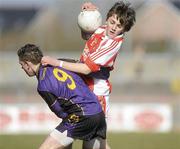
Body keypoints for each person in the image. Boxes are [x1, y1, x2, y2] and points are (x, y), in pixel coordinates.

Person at [41, 1, 136, 149]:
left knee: (93, 144)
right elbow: (87, 36)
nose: (113, 27)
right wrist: (89, 16)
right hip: (82, 87)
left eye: (119, 26)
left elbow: (86, 69)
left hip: (96, 93)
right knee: (72, 132)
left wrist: (55, 62)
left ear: (124, 30)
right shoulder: (102, 29)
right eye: (112, 22)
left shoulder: (111, 45)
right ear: (108, 19)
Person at [17, 44, 106, 149]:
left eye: (22, 64)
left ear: (28, 63)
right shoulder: (60, 62)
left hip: (82, 116)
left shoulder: (43, 84)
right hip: (98, 113)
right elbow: (82, 67)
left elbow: (60, 112)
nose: (22, 67)